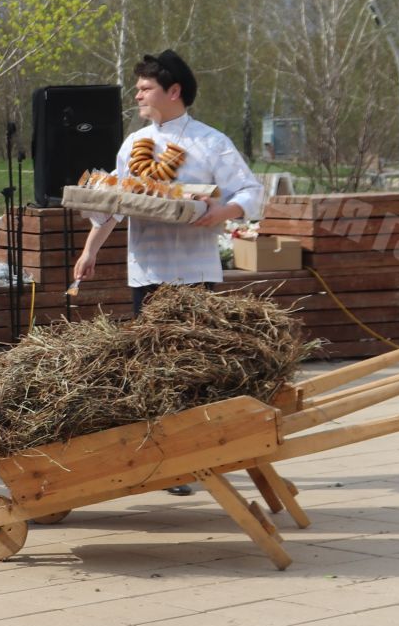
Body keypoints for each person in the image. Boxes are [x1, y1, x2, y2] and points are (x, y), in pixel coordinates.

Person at [73, 51, 264, 495]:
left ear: (173, 91)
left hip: (194, 269)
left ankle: (203, 453)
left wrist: (222, 211)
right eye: (137, 87)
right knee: (153, 367)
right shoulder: (132, 143)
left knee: (196, 364)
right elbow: (113, 204)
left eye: (145, 87)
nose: (137, 94)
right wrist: (89, 252)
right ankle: (166, 461)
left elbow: (253, 192)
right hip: (147, 270)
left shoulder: (209, 141)